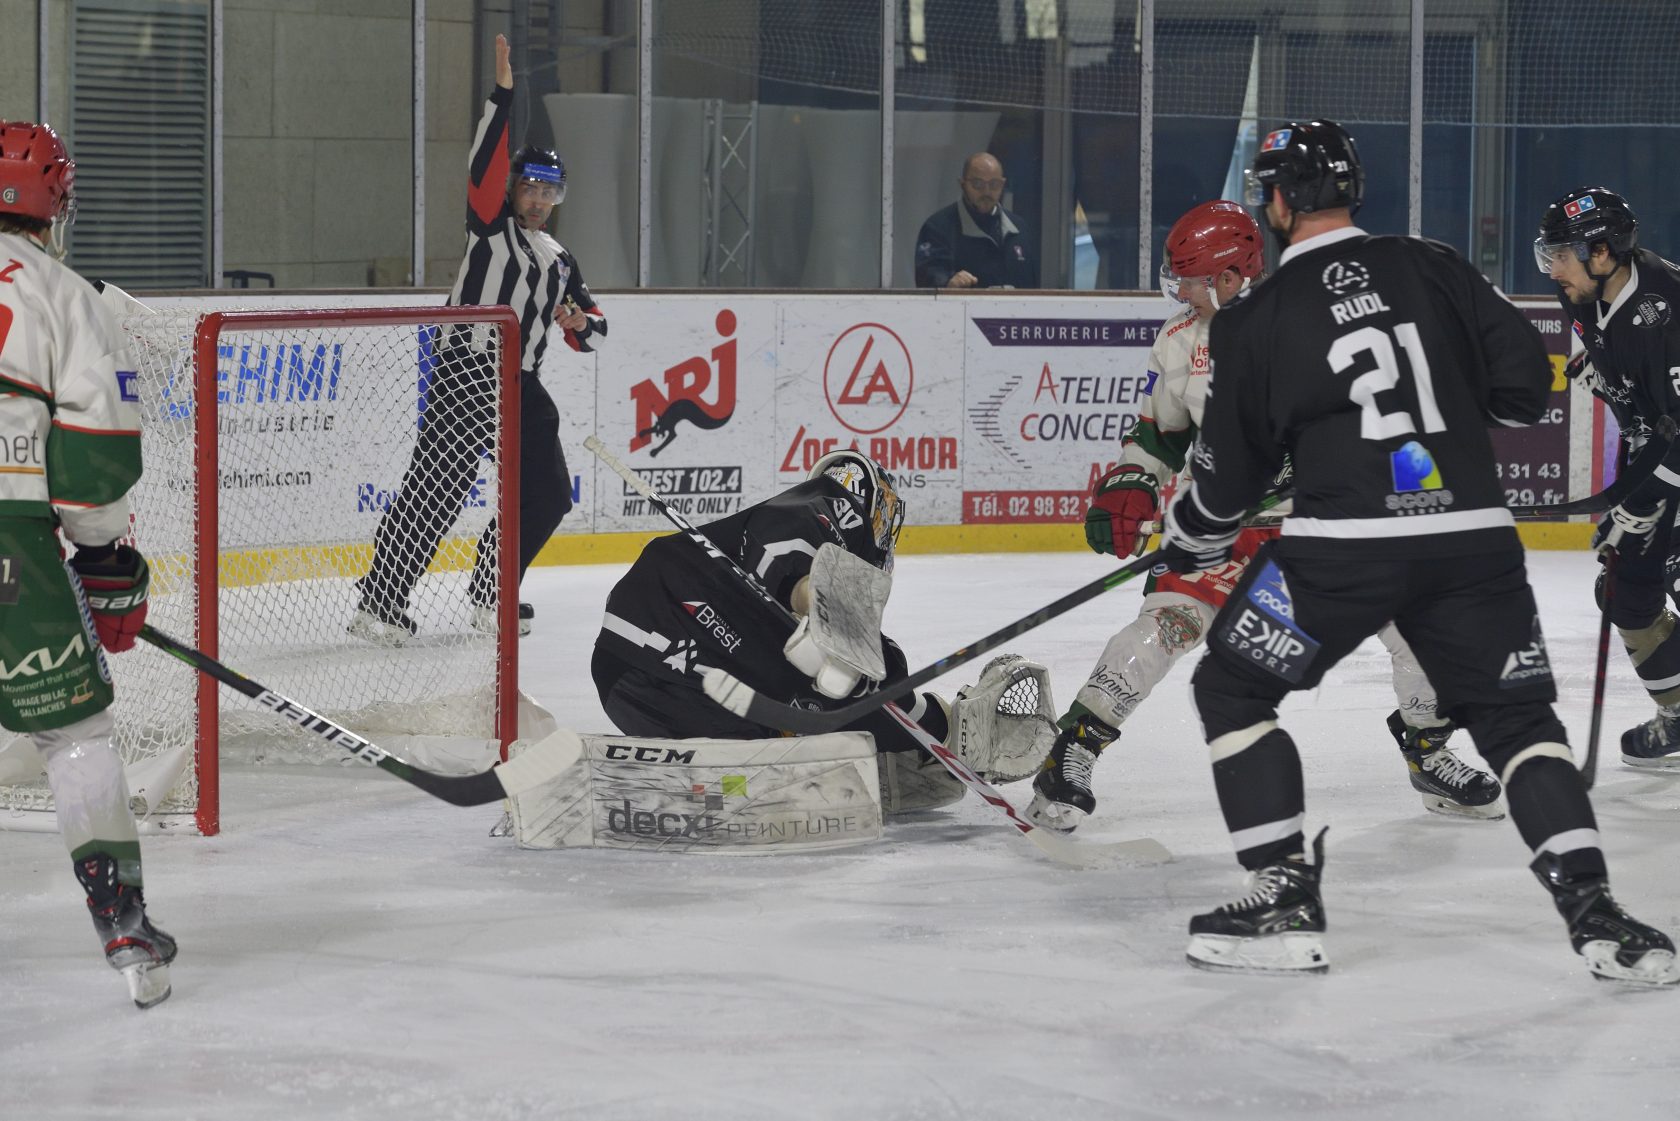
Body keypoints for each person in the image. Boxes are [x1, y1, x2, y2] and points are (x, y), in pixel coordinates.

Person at [1155, 119, 1676, 983]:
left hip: (1341, 553)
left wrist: (1189, 535)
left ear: (1278, 203)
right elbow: (1525, 389)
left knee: (1231, 687)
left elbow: (1226, 485)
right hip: (1471, 543)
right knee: (1518, 723)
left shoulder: (1256, 317)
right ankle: (1599, 916)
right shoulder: (1435, 264)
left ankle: (1283, 897)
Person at [1026, 199, 1501, 832]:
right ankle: (1071, 754)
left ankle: (1429, 752)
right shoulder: (1180, 339)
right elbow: (1160, 436)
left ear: (1231, 277)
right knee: (1162, 628)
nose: (1182, 293)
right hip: (1219, 526)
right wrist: (1131, 484)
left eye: (1193, 280)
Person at [591, 451, 1052, 813]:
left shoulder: (814, 563)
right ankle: (943, 734)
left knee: (843, 688)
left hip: (632, 680)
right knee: (860, 684)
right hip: (666, 638)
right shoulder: (832, 506)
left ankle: (929, 740)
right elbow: (784, 552)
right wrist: (812, 599)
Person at [0, 120, 177, 1007]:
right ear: (56, 204)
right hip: (11, 540)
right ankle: (123, 924)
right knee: (74, 735)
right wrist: (105, 558)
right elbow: (93, 447)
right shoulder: (66, 294)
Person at [351, 33, 606, 644]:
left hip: (521, 383)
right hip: (466, 372)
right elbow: (484, 162)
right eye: (530, 188)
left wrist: (580, 324)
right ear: (512, 189)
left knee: (548, 494)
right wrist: (502, 95)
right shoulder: (489, 228)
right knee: (438, 486)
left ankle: (493, 589)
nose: (538, 201)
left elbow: (595, 328)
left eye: (549, 192)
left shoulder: (559, 258)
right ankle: (380, 601)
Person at [1535, 187, 1680, 771]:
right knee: (1626, 591)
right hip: (1660, 463)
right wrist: (1607, 378)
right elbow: (1641, 397)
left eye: (1561, 255)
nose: (1553, 269)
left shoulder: (1669, 310)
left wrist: (1641, 503)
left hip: (1670, 467)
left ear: (1601, 252)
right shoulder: (1582, 293)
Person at [914, 153, 1038, 290]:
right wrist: (948, 284)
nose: (986, 191)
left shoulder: (1019, 228)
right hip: (961, 304)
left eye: (994, 184)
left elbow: (1031, 287)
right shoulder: (937, 227)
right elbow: (926, 279)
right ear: (963, 184)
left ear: (1003, 184)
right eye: (978, 184)